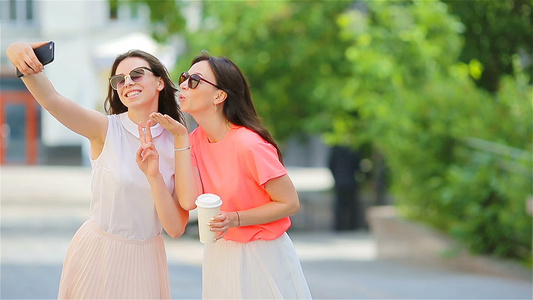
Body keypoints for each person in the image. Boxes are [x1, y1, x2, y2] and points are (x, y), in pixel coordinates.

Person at [6, 41, 189, 299]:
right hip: (97, 252)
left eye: (137, 74)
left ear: (160, 82)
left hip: (146, 258)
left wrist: (155, 176)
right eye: (119, 80)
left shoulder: (178, 142)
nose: (128, 83)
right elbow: (52, 101)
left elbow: (175, 228)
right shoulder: (105, 129)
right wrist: (18, 55)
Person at [144, 53, 312, 299]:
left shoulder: (250, 145)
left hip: (263, 254)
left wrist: (234, 218)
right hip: (220, 254)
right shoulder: (192, 141)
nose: (183, 84)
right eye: (184, 77)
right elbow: (189, 201)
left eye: (194, 80)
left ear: (219, 95)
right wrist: (180, 138)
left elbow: (290, 203)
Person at [328, 145, 366, 231]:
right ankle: (352, 226)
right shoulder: (352, 149)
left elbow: (331, 165)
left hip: (339, 181)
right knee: (352, 205)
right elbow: (358, 166)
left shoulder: (336, 150)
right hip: (351, 181)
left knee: (339, 206)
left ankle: (339, 226)